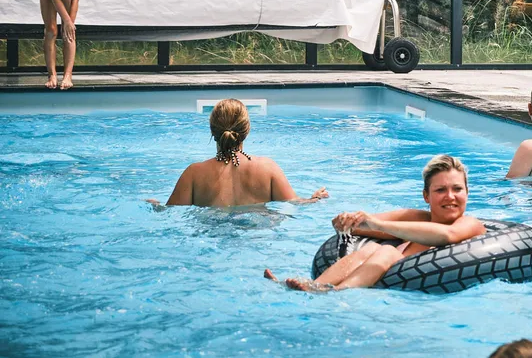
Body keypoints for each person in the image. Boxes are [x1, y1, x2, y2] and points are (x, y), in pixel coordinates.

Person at [264, 155, 485, 292]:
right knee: (372, 247)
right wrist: (344, 222)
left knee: (387, 251)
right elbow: (361, 227)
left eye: (457, 189)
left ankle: (332, 292)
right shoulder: (417, 218)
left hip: (413, 281)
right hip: (381, 276)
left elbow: (447, 236)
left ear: (467, 192)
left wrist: (378, 224)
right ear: (426, 196)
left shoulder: (470, 224)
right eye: (440, 190)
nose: (450, 196)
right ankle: (317, 285)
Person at [147, 99, 328, 207]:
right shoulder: (268, 168)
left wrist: (155, 204)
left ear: (213, 131)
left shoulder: (194, 173)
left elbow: (170, 212)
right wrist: (314, 199)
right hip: (255, 236)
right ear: (246, 131)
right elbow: (295, 204)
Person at [39, 0, 82, 90]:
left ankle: (68, 75)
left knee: (68, 32)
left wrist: (70, 22)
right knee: (51, 30)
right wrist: (67, 19)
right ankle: (52, 75)